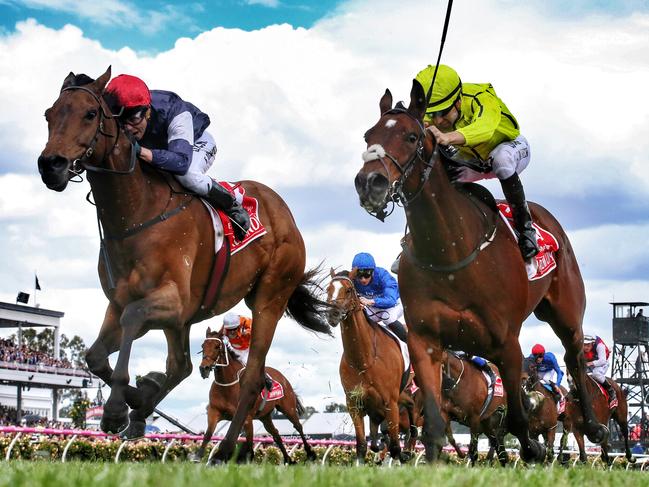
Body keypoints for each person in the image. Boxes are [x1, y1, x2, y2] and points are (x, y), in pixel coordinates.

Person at [104, 74, 250, 241]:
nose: (128, 128)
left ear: (148, 112)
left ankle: (232, 205)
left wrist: (140, 151)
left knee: (189, 177)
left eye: (133, 119)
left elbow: (180, 162)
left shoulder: (175, 111)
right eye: (121, 122)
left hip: (194, 145)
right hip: (160, 148)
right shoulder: (118, 109)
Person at [415, 64, 539, 260]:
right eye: (433, 114)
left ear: (458, 101)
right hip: (473, 162)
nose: (438, 121)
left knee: (501, 159)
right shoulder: (434, 113)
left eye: (442, 113)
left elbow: (484, 129)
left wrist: (449, 137)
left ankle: (526, 231)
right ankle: (419, 239)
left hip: (511, 148)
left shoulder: (481, 98)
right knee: (435, 172)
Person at [351, 252, 408, 342]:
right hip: (374, 308)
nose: (363, 279)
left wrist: (371, 301)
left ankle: (408, 344)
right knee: (359, 320)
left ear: (373, 271)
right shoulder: (353, 280)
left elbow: (391, 300)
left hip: (394, 305)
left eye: (367, 274)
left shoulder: (383, 276)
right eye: (359, 275)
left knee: (387, 317)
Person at [221, 312, 272, 391]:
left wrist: (248, 332)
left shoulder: (247, 322)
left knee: (249, 364)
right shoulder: (224, 328)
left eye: (234, 329)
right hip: (235, 348)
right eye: (229, 330)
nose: (232, 332)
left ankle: (266, 377)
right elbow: (219, 337)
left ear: (238, 325)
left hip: (249, 348)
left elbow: (260, 332)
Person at [583, 334, 616, 407]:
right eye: (584, 345)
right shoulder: (580, 347)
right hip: (590, 363)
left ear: (593, 343)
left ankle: (611, 391)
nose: (585, 347)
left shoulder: (600, 346)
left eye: (588, 345)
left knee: (596, 374)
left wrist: (590, 363)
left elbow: (602, 361)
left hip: (602, 363)